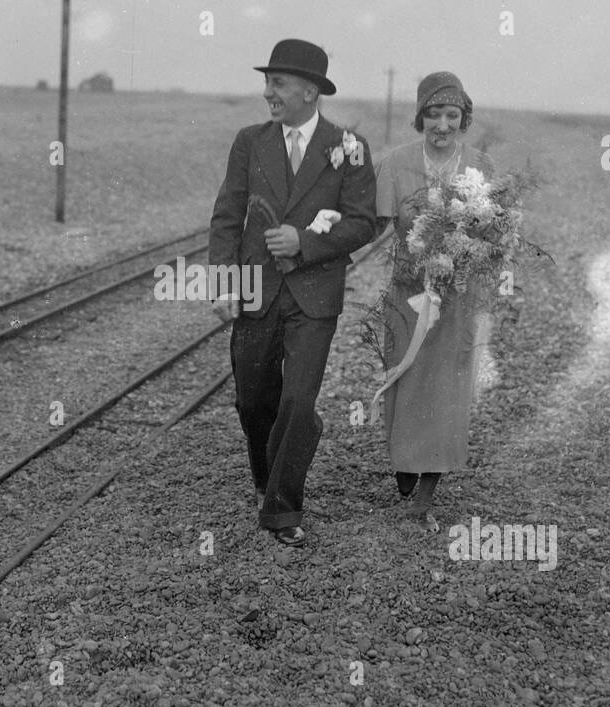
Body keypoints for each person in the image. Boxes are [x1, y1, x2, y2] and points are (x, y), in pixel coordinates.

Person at [209, 39, 376, 546]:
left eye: (277, 83)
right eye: (267, 83)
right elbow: (226, 216)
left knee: (299, 404)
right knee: (252, 402)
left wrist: (304, 241)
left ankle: (282, 508)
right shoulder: (249, 141)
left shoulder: (350, 148)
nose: (267, 93)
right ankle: (265, 477)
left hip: (314, 299)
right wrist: (223, 282)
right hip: (256, 294)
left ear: (310, 90)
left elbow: (364, 223)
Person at [372, 72, 496, 524]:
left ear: (464, 119)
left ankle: (429, 483)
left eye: (451, 115)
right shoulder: (397, 163)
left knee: (447, 389)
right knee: (404, 379)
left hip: (457, 297)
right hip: (408, 291)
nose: (441, 125)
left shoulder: (481, 167)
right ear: (419, 117)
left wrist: (479, 243)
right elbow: (372, 226)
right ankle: (407, 460)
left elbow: (496, 235)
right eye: (432, 114)